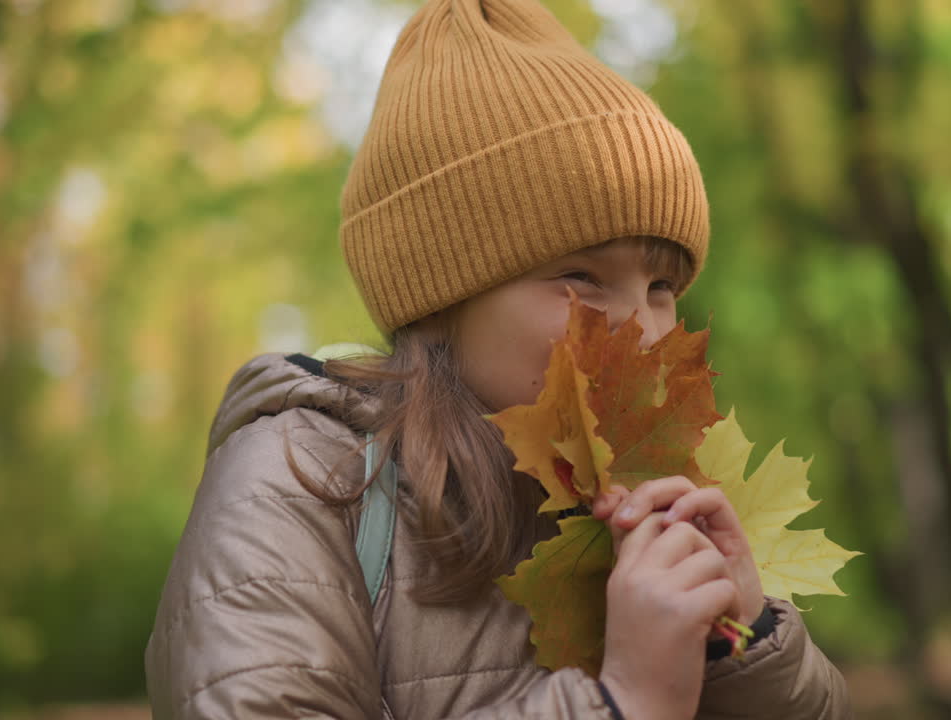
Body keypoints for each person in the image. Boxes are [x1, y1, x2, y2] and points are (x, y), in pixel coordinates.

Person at [144, 0, 852, 717]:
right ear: (442, 296)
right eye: (580, 277)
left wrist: (743, 643)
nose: (643, 331)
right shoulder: (301, 486)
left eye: (662, 285)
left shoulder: (654, 494)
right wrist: (618, 702)